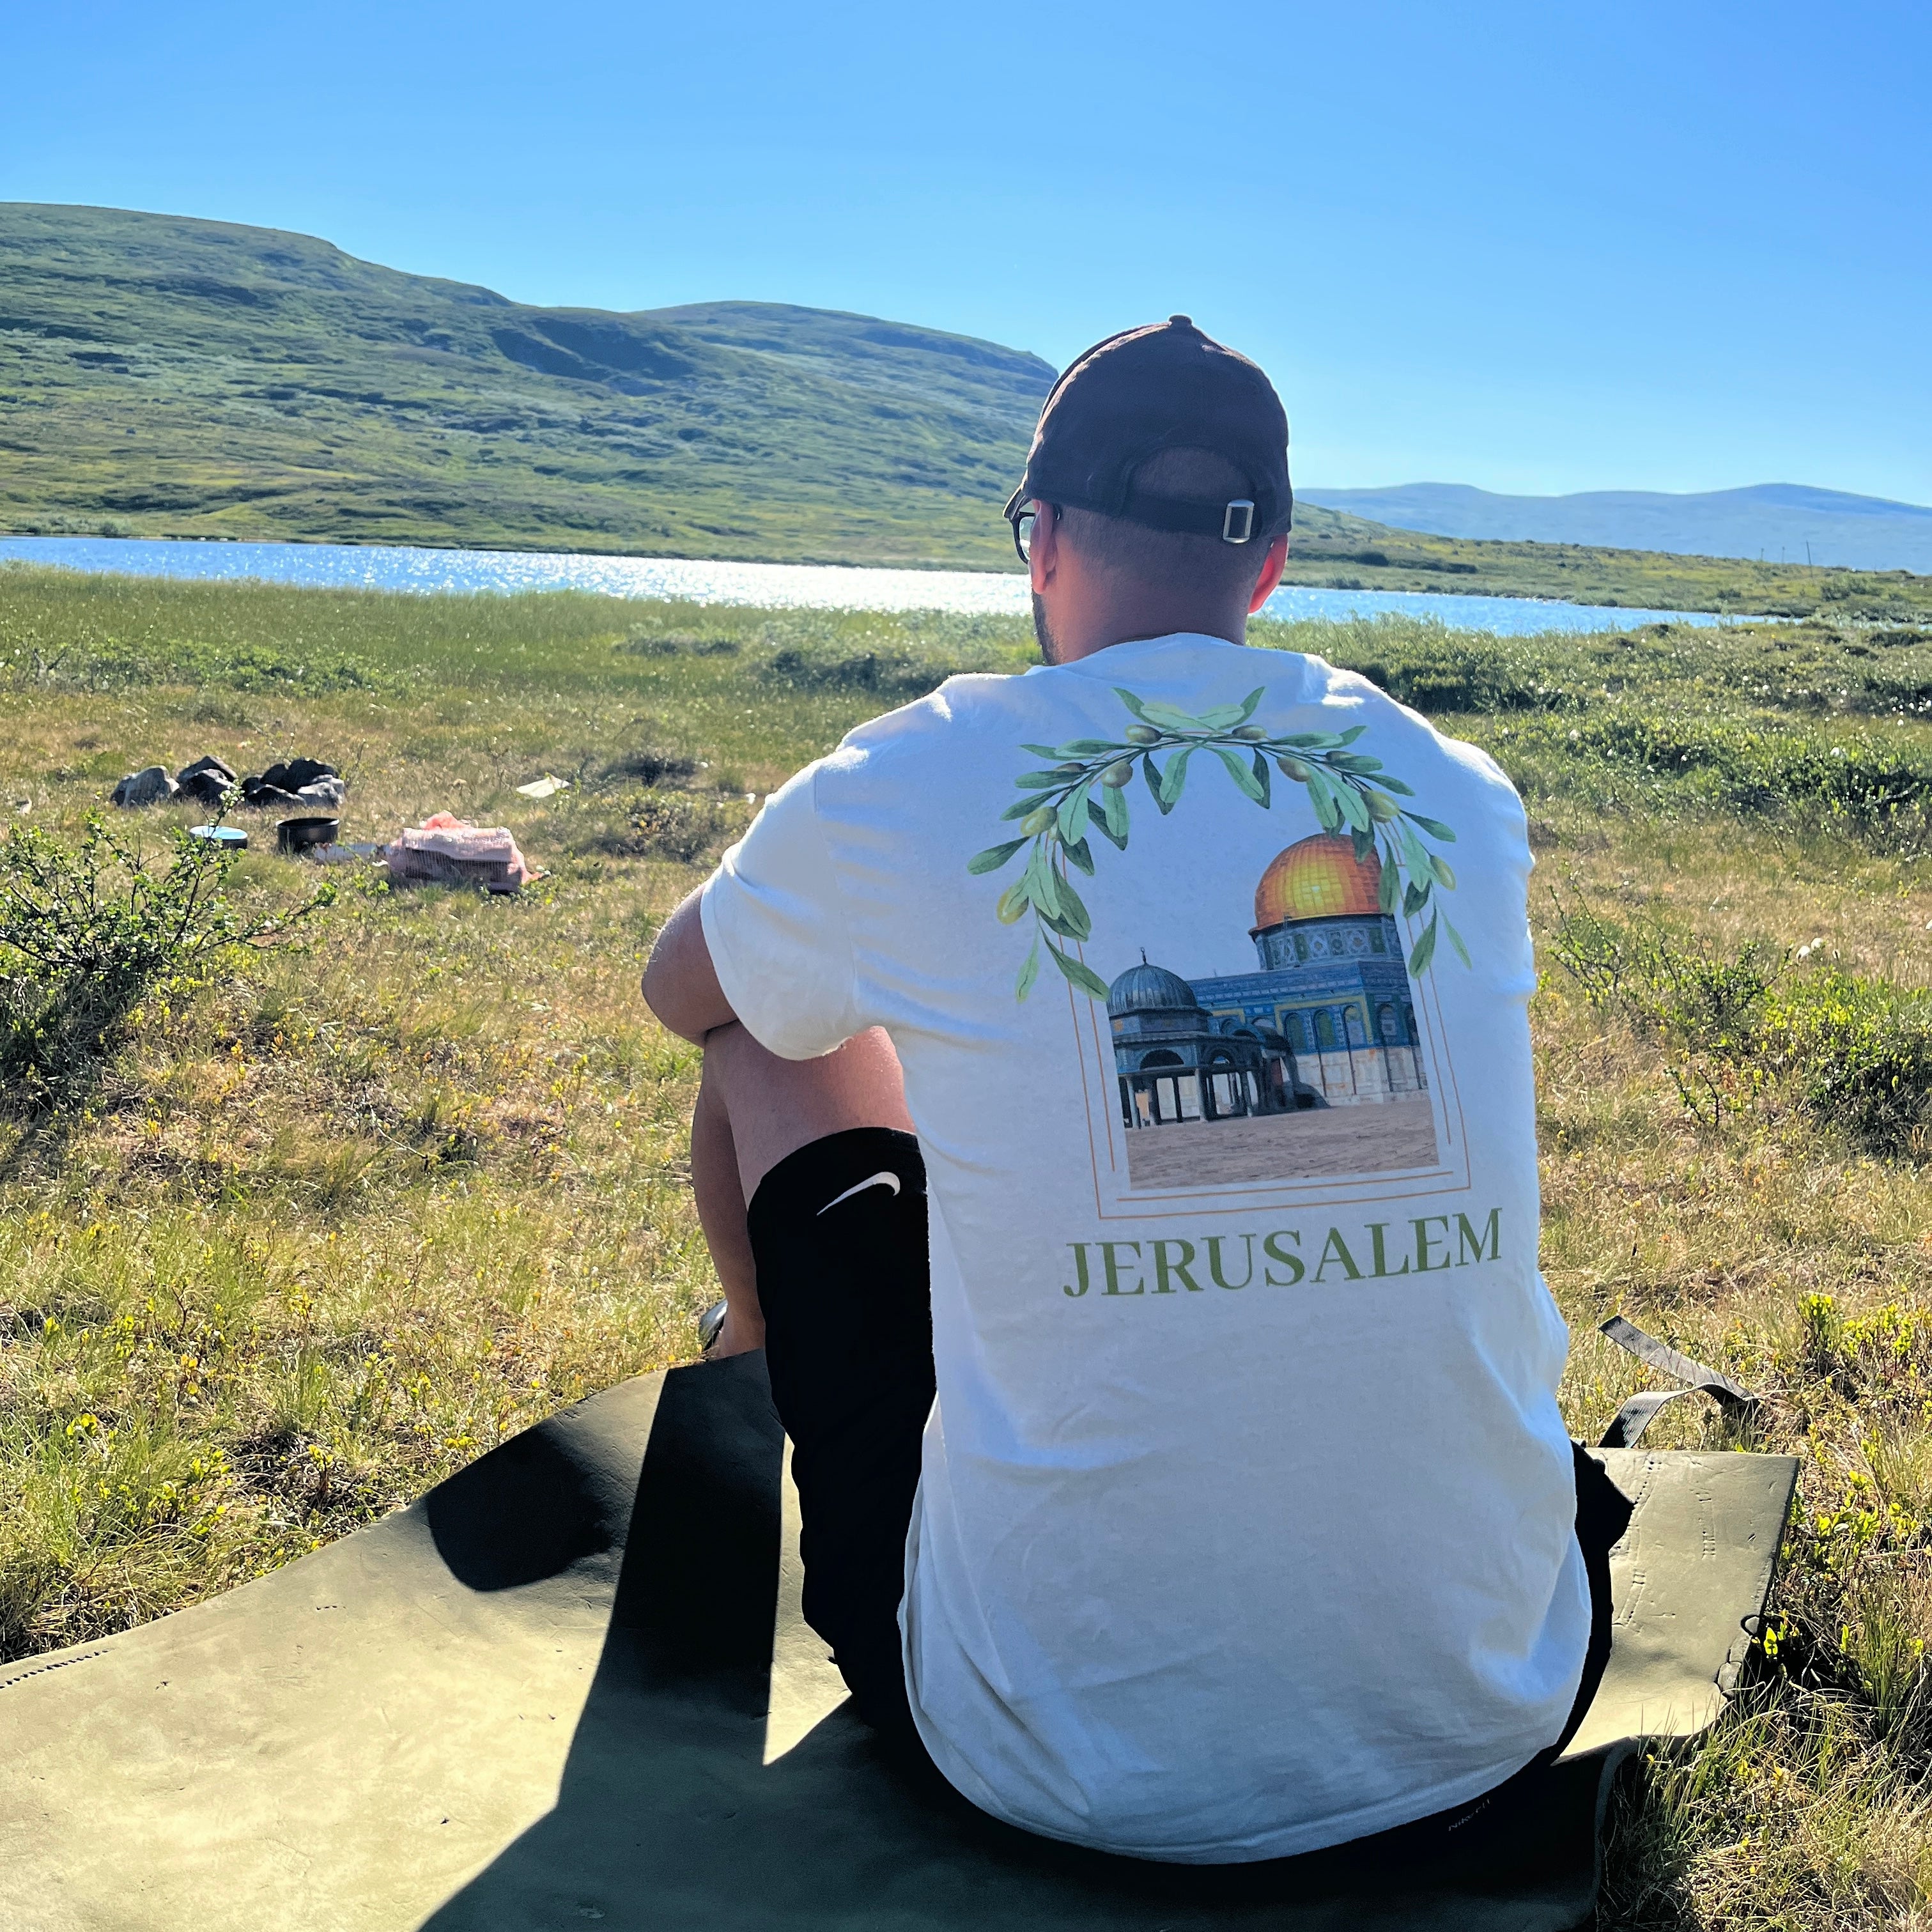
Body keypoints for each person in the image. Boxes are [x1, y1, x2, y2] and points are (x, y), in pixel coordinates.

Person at [642, 317, 1613, 1865]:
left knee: (775, 1024)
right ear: (1272, 565)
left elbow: (681, 991)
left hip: (1049, 1765)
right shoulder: (1451, 784)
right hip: (1495, 1703)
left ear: (1041, 544)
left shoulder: (914, 771)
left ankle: (764, 1360)